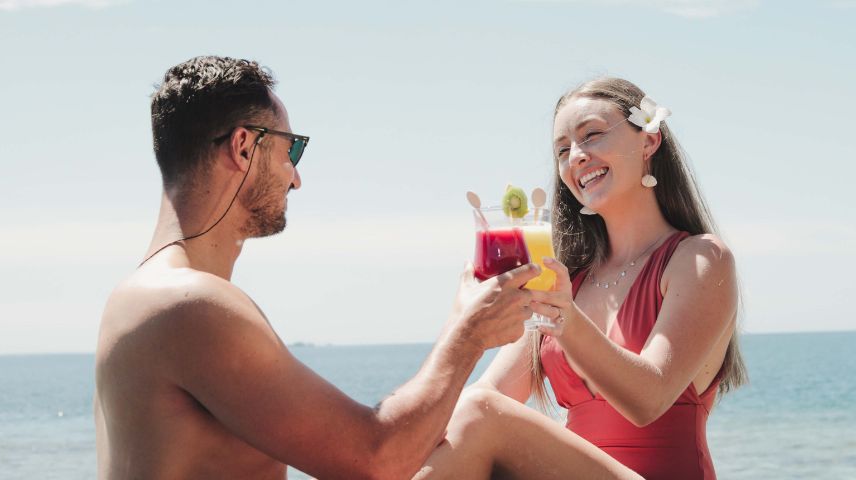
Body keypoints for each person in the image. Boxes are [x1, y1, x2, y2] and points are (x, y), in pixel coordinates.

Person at [93, 55, 541, 480]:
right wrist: (468, 335)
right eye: (293, 150)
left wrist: (463, 325)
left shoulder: (143, 296)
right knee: (485, 419)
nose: (296, 177)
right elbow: (378, 461)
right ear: (244, 146)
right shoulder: (188, 304)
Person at [414, 78, 748, 480]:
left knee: (478, 413)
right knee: (467, 413)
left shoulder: (701, 259)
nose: (576, 156)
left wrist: (565, 319)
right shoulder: (566, 280)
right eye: (562, 150)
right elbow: (489, 396)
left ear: (649, 141)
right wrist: (465, 323)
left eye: (591, 135)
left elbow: (649, 399)